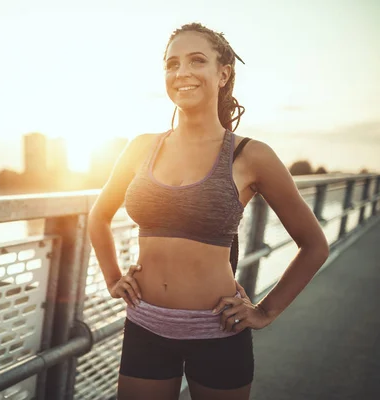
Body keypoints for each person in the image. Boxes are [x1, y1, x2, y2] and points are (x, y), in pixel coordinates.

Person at [87, 22, 330, 400]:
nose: (181, 73)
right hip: (145, 324)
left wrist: (265, 312)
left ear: (223, 74)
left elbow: (314, 245)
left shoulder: (252, 155)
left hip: (217, 330)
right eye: (172, 64)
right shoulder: (140, 147)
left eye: (196, 61)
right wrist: (112, 278)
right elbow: (98, 216)